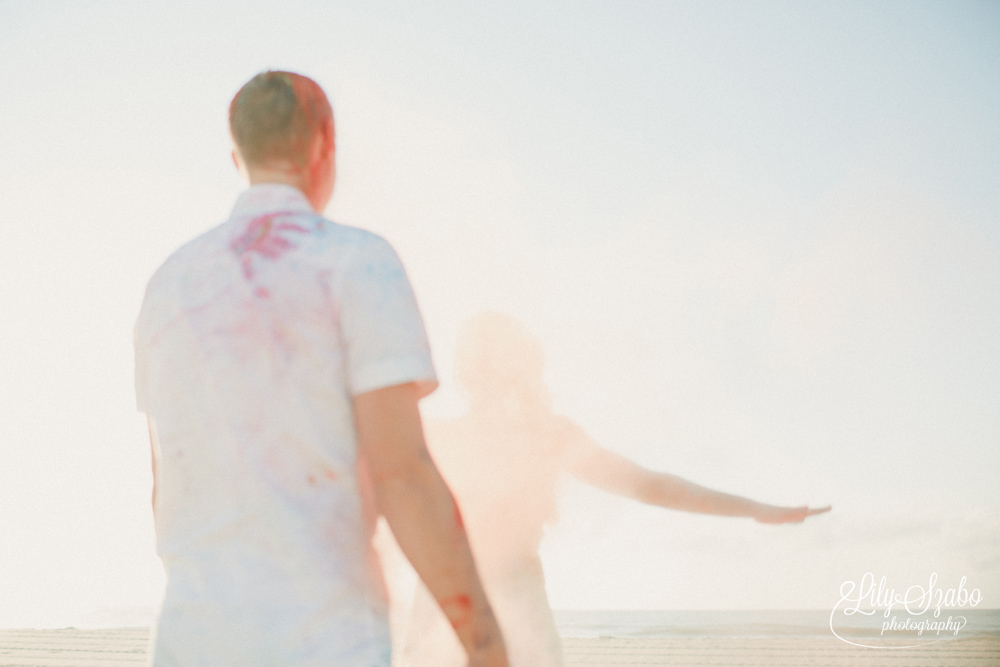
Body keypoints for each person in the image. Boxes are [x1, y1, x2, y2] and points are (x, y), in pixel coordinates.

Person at [133, 71, 507, 667]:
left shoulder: (167, 286)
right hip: (322, 636)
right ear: (323, 144)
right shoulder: (357, 263)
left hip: (191, 639)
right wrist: (485, 643)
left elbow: (165, 484)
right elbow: (403, 475)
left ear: (237, 156)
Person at [394, 312, 831, 667]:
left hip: (513, 595)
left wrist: (754, 508)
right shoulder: (439, 438)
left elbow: (650, 486)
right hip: (446, 599)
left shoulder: (551, 437)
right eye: (486, 365)